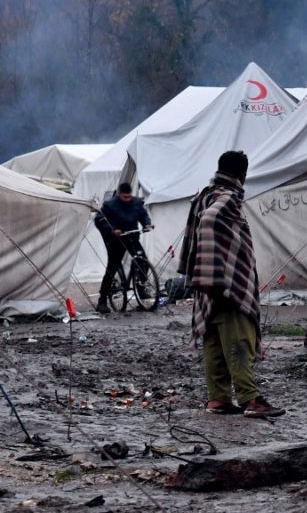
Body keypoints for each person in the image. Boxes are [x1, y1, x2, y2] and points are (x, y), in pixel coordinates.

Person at [178, 151, 284, 418]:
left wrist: (203, 273)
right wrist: (216, 273)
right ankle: (251, 400)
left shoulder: (205, 195)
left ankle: (219, 399)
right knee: (240, 340)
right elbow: (211, 221)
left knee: (214, 342)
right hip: (228, 286)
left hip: (208, 287)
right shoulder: (227, 197)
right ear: (243, 174)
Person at [94, 182, 152, 313]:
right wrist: (112, 230)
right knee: (112, 267)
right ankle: (102, 300)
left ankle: (140, 288)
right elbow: (99, 220)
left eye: (129, 197)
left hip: (132, 236)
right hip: (116, 240)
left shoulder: (137, 203)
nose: (127, 199)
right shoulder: (109, 205)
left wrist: (147, 224)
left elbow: (143, 215)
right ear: (119, 195)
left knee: (143, 261)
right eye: (124, 197)